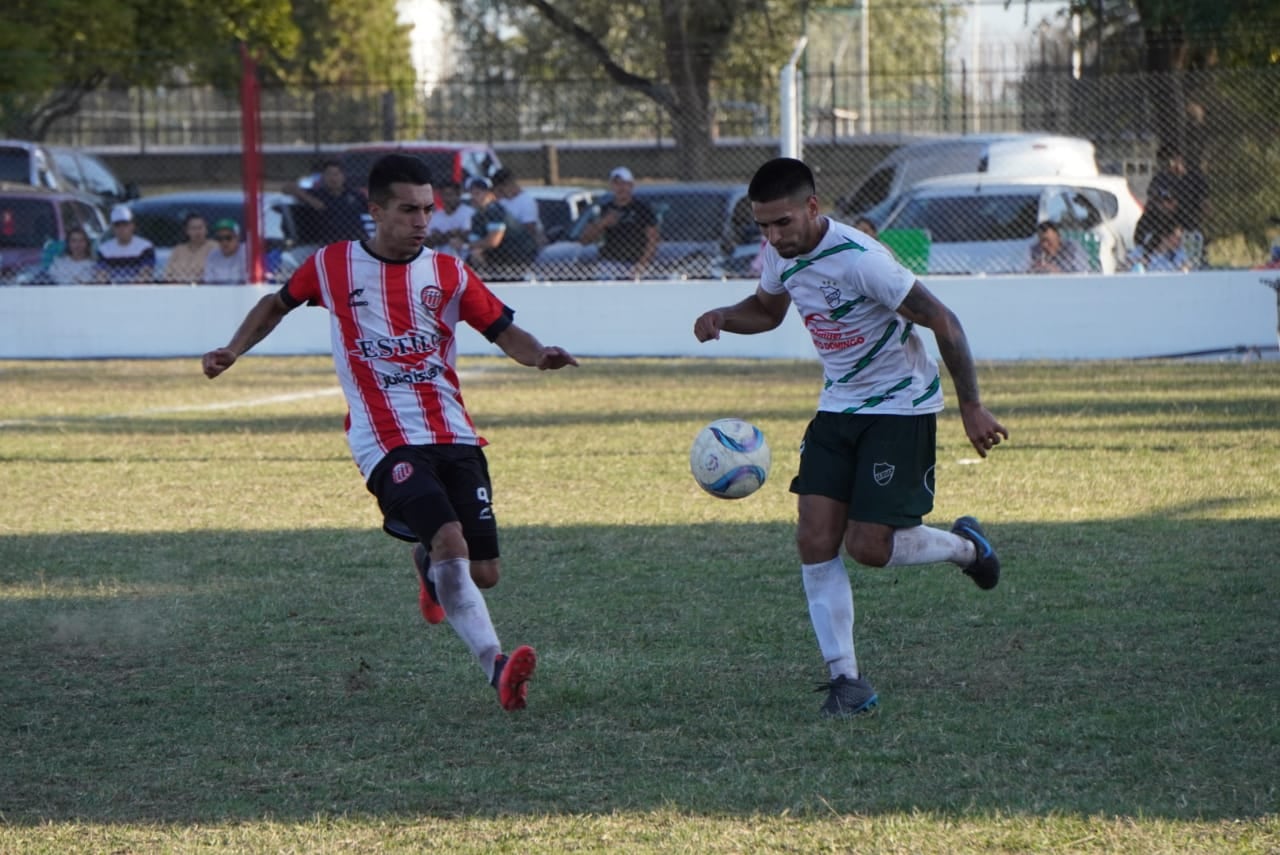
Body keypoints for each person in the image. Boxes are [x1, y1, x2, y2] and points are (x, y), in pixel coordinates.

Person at [201, 153, 578, 711]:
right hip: (385, 439)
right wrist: (233, 348)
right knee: (451, 540)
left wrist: (540, 355)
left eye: (428, 209)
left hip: (453, 431)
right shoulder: (333, 266)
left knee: (485, 571)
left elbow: (504, 332)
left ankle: (429, 569)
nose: (421, 221)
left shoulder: (450, 273)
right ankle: (496, 667)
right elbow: (274, 304)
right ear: (374, 210)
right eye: (408, 210)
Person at [692, 157, 1007, 719]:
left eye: (782, 223)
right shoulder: (780, 253)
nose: (772, 236)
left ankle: (966, 548)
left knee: (868, 548)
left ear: (813, 207)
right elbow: (767, 310)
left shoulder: (862, 261)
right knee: (814, 538)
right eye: (763, 226)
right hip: (837, 406)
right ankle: (847, 681)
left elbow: (945, 321)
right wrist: (724, 316)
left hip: (899, 407)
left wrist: (972, 406)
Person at [578, 166, 659, 279]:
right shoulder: (603, 209)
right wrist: (603, 223)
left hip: (634, 262)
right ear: (611, 186)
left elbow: (653, 240)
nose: (621, 188)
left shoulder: (642, 209)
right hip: (609, 263)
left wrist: (642, 265)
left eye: (625, 183)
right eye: (617, 184)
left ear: (631, 185)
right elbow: (584, 240)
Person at [467, 176, 538, 280]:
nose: (474, 197)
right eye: (472, 193)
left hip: (518, 256)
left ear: (490, 194)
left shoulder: (496, 211)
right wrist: (473, 248)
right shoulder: (476, 217)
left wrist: (465, 245)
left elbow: (493, 241)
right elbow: (476, 244)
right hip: (497, 259)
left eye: (478, 193)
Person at [283, 159, 368, 244]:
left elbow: (373, 208)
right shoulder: (317, 194)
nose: (333, 178)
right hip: (328, 242)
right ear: (323, 177)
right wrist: (313, 201)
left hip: (355, 241)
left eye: (336, 174)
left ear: (343, 176)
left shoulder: (355, 194)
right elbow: (287, 188)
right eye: (328, 174)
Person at [96, 204, 155, 283]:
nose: (122, 229)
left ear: (132, 225)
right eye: (117, 225)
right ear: (113, 228)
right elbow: (101, 275)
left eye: (125, 224)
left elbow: (146, 273)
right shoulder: (104, 250)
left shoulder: (145, 247)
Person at [492, 167, 544, 249]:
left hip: (524, 246)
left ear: (509, 184)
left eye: (501, 190)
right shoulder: (502, 201)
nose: (500, 194)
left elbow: (530, 229)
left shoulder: (526, 201)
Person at [424, 178, 475, 259]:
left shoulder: (469, 212)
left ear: (458, 195)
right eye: (444, 195)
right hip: (438, 259)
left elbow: (466, 234)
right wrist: (452, 233)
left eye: (450, 195)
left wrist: (441, 236)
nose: (447, 199)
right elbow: (428, 241)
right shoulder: (435, 216)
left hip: (462, 259)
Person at [163, 213, 214, 283]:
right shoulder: (178, 250)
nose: (197, 232)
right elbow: (167, 275)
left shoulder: (215, 248)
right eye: (193, 228)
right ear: (187, 231)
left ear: (206, 230)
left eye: (200, 228)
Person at [202, 218, 249, 284]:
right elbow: (208, 282)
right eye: (219, 238)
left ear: (238, 237)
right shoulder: (212, 256)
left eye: (228, 238)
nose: (224, 242)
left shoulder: (247, 252)